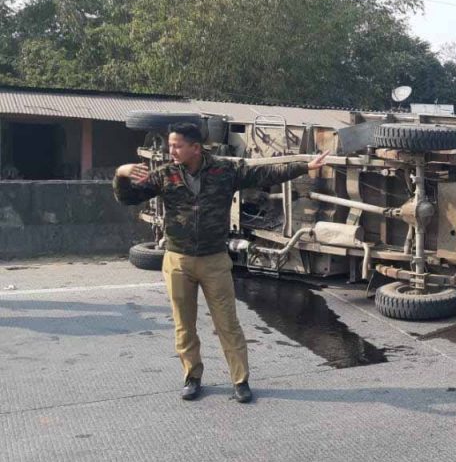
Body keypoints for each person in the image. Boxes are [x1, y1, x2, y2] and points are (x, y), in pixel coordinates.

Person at [113, 123, 329, 403]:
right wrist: (121, 174)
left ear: (195, 147)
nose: (172, 150)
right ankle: (192, 377)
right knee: (184, 324)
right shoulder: (165, 175)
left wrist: (304, 166)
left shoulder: (224, 170)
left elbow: (264, 172)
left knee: (228, 323)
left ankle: (240, 380)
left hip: (214, 260)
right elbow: (127, 198)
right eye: (170, 145)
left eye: (177, 145)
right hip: (178, 260)